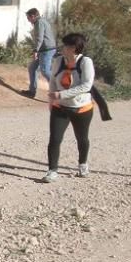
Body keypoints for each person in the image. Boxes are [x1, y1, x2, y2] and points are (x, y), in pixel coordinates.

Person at [41, 32, 94, 183]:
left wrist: (62, 94)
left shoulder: (85, 62)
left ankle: (83, 164)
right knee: (55, 139)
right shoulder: (58, 61)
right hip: (60, 107)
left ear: (73, 48)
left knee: (82, 138)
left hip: (82, 108)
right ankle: (52, 170)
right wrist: (52, 99)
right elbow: (52, 80)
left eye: (65, 45)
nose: (62, 48)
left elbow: (86, 85)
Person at [23, 8, 57, 99]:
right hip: (44, 49)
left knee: (45, 71)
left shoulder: (39, 23)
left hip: (47, 50)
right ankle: (31, 92)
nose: (28, 19)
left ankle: (58, 90)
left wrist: (35, 51)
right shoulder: (40, 22)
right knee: (32, 68)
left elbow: (40, 38)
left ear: (33, 16)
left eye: (28, 17)